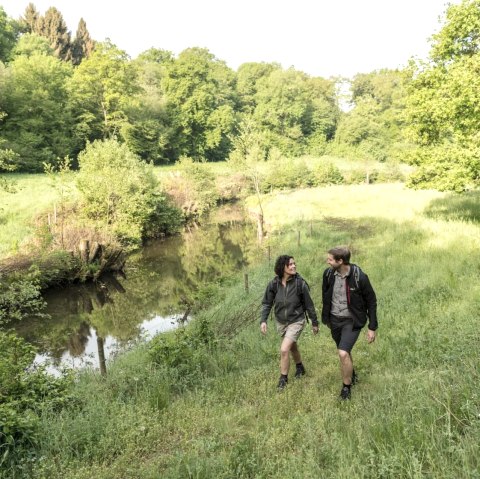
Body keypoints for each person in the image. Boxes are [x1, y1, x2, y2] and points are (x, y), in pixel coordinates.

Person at [321, 246, 377, 400]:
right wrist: (326, 318)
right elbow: (325, 296)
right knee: (344, 350)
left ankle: (346, 388)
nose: (327, 261)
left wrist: (372, 327)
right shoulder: (328, 275)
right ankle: (352, 374)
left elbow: (371, 301)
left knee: (343, 353)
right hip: (334, 320)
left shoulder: (360, 277)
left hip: (352, 321)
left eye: (330, 259)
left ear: (341, 261)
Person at [260, 255, 319, 390]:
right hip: (281, 321)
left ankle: (283, 379)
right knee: (292, 346)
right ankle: (300, 367)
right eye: (290, 265)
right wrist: (263, 320)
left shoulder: (300, 284)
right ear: (282, 268)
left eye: (294, 264)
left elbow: (309, 305)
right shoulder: (274, 284)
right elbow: (267, 303)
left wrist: (314, 322)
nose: (293, 266)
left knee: (284, 349)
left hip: (296, 320)